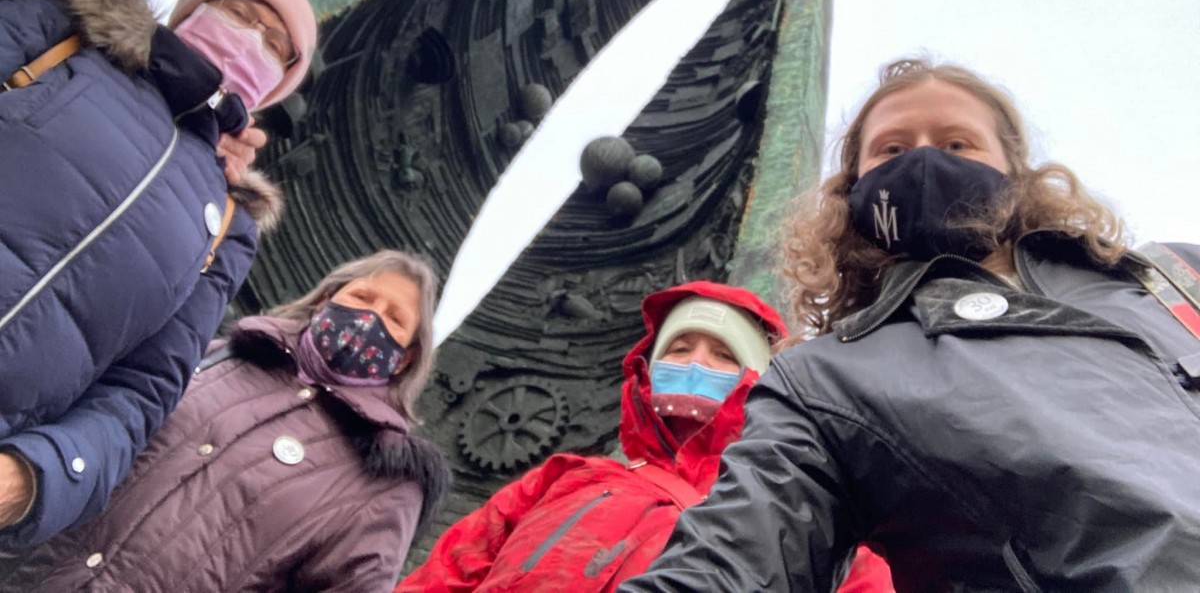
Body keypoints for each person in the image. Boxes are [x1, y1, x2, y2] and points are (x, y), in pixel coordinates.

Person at [619, 57, 1200, 592]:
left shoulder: (1175, 274)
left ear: (1014, 169)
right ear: (851, 189)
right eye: (891, 149)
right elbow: (736, 559)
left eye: (956, 143)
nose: (923, 162)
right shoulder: (827, 379)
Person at [0, 0, 317, 549]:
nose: (251, 38)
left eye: (277, 47)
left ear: (275, 87)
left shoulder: (228, 223)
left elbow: (141, 393)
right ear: (196, 8)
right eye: (239, 12)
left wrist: (32, 478)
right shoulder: (63, 37)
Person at [4, 250, 453, 592]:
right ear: (324, 302)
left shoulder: (387, 483)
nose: (369, 319)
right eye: (361, 297)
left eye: (394, 319)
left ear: (405, 358)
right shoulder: (213, 357)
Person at [397, 281, 889, 592]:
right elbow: (449, 571)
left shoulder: (812, 521)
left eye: (723, 355)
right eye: (679, 348)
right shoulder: (566, 476)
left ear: (758, 377)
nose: (696, 363)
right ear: (649, 368)